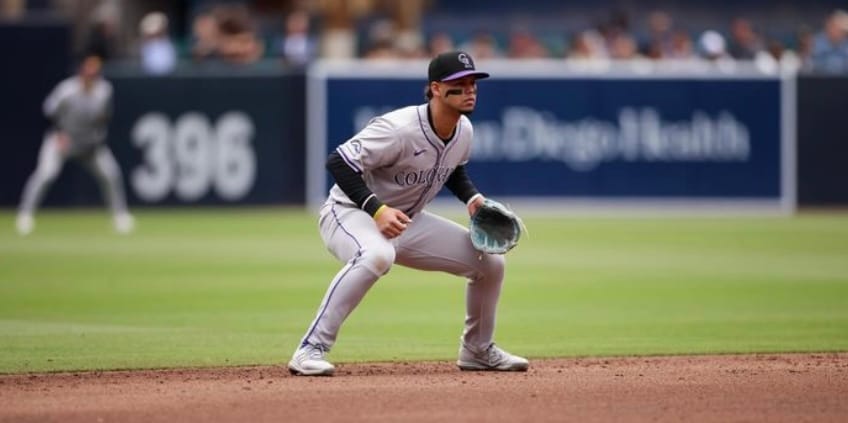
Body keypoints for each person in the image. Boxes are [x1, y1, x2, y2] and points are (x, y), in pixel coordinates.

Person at [287, 51, 529, 376]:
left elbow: (453, 170)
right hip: (348, 212)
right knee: (377, 255)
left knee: (490, 263)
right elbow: (338, 161)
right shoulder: (399, 128)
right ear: (436, 88)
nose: (470, 90)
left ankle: (477, 350)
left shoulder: (464, 130)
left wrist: (472, 198)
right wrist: (377, 209)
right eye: (460, 84)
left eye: (473, 83)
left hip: (405, 220)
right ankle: (310, 349)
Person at [16, 55, 134, 236]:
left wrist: (97, 137)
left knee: (111, 174)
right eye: (88, 73)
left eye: (95, 74)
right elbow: (48, 113)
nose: (91, 77)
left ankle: (120, 216)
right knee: (46, 174)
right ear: (81, 73)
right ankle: (25, 214)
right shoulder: (66, 90)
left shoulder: (104, 91)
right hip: (63, 141)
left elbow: (103, 118)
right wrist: (58, 133)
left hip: (90, 146)